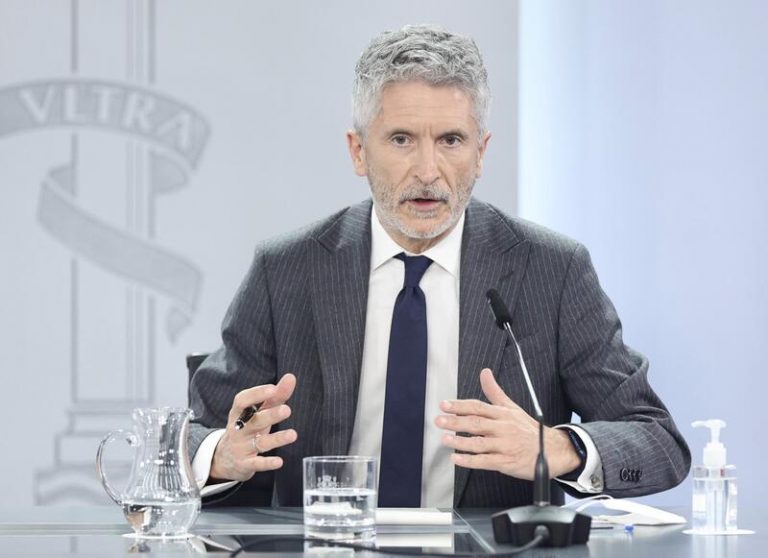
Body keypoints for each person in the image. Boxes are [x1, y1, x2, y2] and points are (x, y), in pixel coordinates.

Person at [188, 24, 690, 508]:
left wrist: (557, 447)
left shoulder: (552, 271)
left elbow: (658, 441)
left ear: (481, 153)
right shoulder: (287, 269)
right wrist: (220, 455)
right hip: (332, 543)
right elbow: (195, 434)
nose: (428, 171)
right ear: (358, 151)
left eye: (451, 140)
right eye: (401, 139)